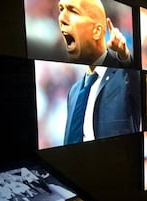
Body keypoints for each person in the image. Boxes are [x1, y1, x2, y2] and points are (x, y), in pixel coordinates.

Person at [58, 0, 140, 145]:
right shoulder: (74, 91)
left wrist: (124, 55)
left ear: (96, 31)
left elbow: (139, 84)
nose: (62, 19)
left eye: (73, 11)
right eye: (61, 9)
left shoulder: (123, 76)